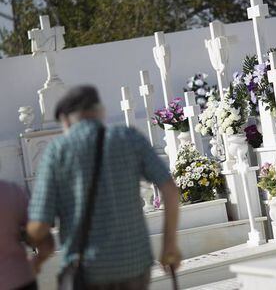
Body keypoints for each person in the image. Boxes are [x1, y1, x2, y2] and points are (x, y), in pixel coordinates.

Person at [27, 85, 180, 289]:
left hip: (89, 270)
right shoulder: (129, 138)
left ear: (65, 119)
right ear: (100, 111)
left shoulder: (57, 151)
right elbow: (170, 191)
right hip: (134, 265)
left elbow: (40, 226)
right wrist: (169, 244)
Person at [0, 180, 53, 290]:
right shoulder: (14, 191)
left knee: (32, 245)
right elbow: (44, 239)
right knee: (32, 244)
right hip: (21, 278)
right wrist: (36, 263)